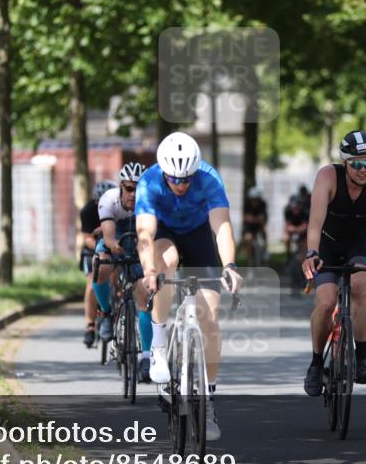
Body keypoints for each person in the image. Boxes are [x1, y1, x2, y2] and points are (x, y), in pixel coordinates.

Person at [136, 132, 243, 441]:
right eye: (174, 179)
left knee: (210, 313)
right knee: (165, 261)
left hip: (198, 233)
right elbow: (145, 233)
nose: (181, 185)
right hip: (164, 231)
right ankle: (157, 345)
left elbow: (221, 227)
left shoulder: (209, 178)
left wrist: (230, 267)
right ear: (163, 172)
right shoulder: (150, 181)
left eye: (186, 179)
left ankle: (208, 399)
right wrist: (150, 271)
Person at [301, 130, 366, 396]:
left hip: (359, 242)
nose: (363, 169)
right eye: (356, 163)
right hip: (326, 244)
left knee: (358, 287)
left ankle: (361, 356)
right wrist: (311, 253)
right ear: (345, 162)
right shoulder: (327, 176)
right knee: (326, 301)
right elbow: (315, 223)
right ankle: (316, 362)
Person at [92, 162, 154, 382]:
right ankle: (107, 314)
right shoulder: (109, 200)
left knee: (144, 296)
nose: (133, 194)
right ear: (121, 187)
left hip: (139, 239)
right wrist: (113, 246)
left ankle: (146, 357)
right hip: (116, 237)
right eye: (129, 188)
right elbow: (108, 237)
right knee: (101, 266)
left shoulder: (148, 202)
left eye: (138, 188)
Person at [81, 179, 116, 347]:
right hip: (92, 248)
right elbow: (86, 238)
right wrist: (99, 247)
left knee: (116, 276)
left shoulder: (118, 207)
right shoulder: (88, 211)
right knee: (91, 283)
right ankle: (90, 325)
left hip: (113, 246)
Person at [241, 186, 268, 264]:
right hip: (250, 226)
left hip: (260, 225)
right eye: (252, 199)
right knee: (248, 238)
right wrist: (255, 219)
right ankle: (249, 258)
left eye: (256, 200)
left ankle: (265, 249)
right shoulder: (247, 205)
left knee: (264, 230)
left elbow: (262, 218)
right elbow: (245, 218)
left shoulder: (262, 204)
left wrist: (252, 219)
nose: (254, 202)